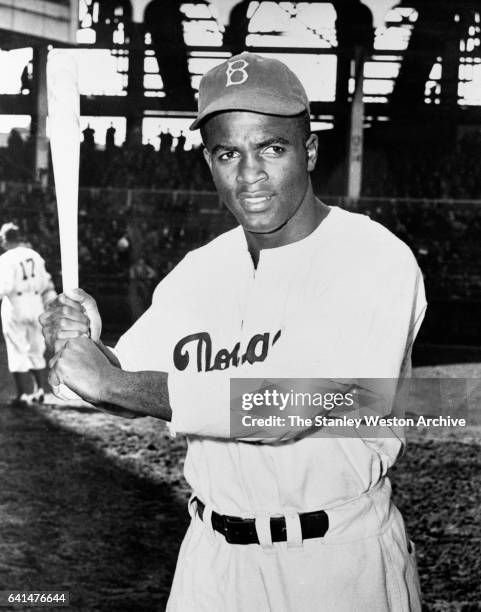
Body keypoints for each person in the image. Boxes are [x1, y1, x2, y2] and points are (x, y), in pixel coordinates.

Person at [40, 52, 426, 611]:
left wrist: (109, 382)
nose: (250, 176)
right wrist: (85, 347)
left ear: (310, 150)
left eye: (272, 148)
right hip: (211, 563)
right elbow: (122, 382)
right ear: (210, 163)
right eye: (229, 154)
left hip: (336, 560)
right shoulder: (199, 271)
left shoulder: (374, 260)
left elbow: (282, 408)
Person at [0, 223, 56, 405]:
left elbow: (4, 286)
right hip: (35, 302)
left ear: (4, 240)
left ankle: (23, 395)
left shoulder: (6, 258)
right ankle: (40, 391)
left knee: (16, 348)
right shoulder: (34, 255)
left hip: (15, 303)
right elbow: (46, 283)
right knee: (36, 348)